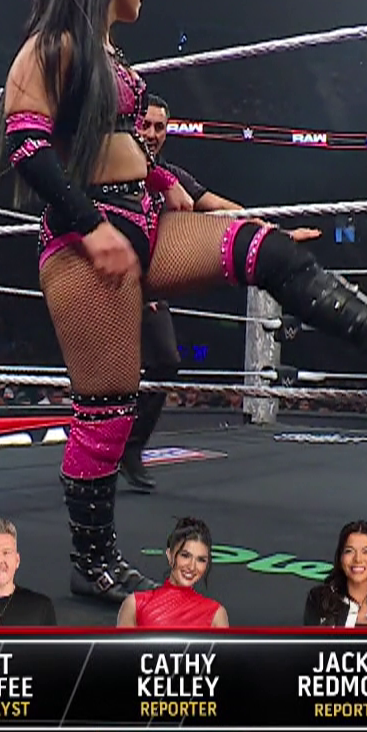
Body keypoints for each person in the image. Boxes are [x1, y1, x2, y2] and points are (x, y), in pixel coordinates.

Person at [0, 0, 367, 601]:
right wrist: (91, 226)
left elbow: (107, 142)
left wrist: (159, 180)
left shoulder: (106, 54)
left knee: (266, 250)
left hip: (142, 221)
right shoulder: (51, 45)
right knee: (106, 411)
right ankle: (91, 562)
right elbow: (28, 148)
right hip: (83, 240)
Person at [120, 95, 321, 492]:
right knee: (111, 374)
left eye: (160, 127)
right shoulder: (114, 168)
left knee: (165, 360)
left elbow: (223, 209)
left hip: (147, 283)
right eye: (146, 125)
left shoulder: (172, 176)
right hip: (106, 276)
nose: (153, 134)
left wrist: (273, 235)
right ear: (132, 126)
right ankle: (93, 456)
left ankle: (131, 449)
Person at [117, 517, 228, 628]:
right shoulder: (135, 605)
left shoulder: (216, 614)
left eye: (201, 560)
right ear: (170, 555)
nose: (192, 567)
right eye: (185, 555)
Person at [302, 520, 367, 627]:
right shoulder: (320, 601)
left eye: (366, 551)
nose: (358, 559)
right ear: (340, 558)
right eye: (349, 551)